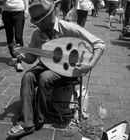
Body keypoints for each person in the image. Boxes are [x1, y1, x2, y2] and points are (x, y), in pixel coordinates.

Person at [7, 0, 105, 137]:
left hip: (68, 69)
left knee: (45, 77)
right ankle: (26, 123)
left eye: (39, 22)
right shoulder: (37, 34)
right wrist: (21, 55)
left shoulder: (69, 28)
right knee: (28, 76)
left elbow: (99, 44)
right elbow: (31, 59)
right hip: (45, 66)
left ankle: (39, 118)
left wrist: (90, 64)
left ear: (48, 17)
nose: (37, 25)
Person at [1, 0, 29, 72]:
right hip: (6, 12)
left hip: (19, 12)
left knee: (18, 36)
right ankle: (13, 58)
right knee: (9, 36)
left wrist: (26, 9)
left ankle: (19, 61)